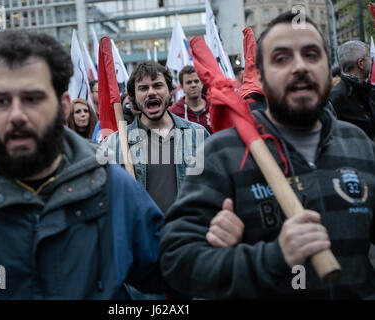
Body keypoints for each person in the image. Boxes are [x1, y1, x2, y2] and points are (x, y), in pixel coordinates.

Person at [0, 30, 167, 299]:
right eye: (2, 101)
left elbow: (173, 274)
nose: (16, 115)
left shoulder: (114, 191)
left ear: (63, 106)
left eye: (32, 98)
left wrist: (211, 252)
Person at [159, 12, 375, 299]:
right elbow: (176, 260)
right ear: (259, 75)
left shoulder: (358, 143)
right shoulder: (221, 153)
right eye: (281, 58)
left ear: (328, 69)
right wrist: (272, 256)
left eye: (311, 55)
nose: (299, 67)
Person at [101, 60, 210, 216]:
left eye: (157, 85)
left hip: (188, 233)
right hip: (141, 237)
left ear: (171, 91)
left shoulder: (197, 135)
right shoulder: (114, 145)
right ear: (134, 97)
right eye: (143, 88)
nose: (151, 92)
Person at [330, 40, 375, 140]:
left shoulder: (369, 90)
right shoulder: (337, 97)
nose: (372, 61)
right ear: (360, 63)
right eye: (369, 57)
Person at [168, 66, 213, 133]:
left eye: (196, 81)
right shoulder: (173, 113)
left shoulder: (214, 106)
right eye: (189, 82)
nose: (193, 85)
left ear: (202, 83)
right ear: (181, 86)